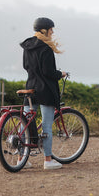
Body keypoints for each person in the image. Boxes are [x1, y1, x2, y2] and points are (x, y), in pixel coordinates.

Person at [20, 17, 67, 170]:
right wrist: (60, 74)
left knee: (25, 124)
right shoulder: (45, 48)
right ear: (44, 30)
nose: (52, 32)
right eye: (51, 29)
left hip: (31, 87)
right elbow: (48, 72)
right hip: (45, 89)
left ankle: (22, 159)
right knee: (47, 125)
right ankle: (48, 160)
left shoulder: (27, 46)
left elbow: (25, 66)